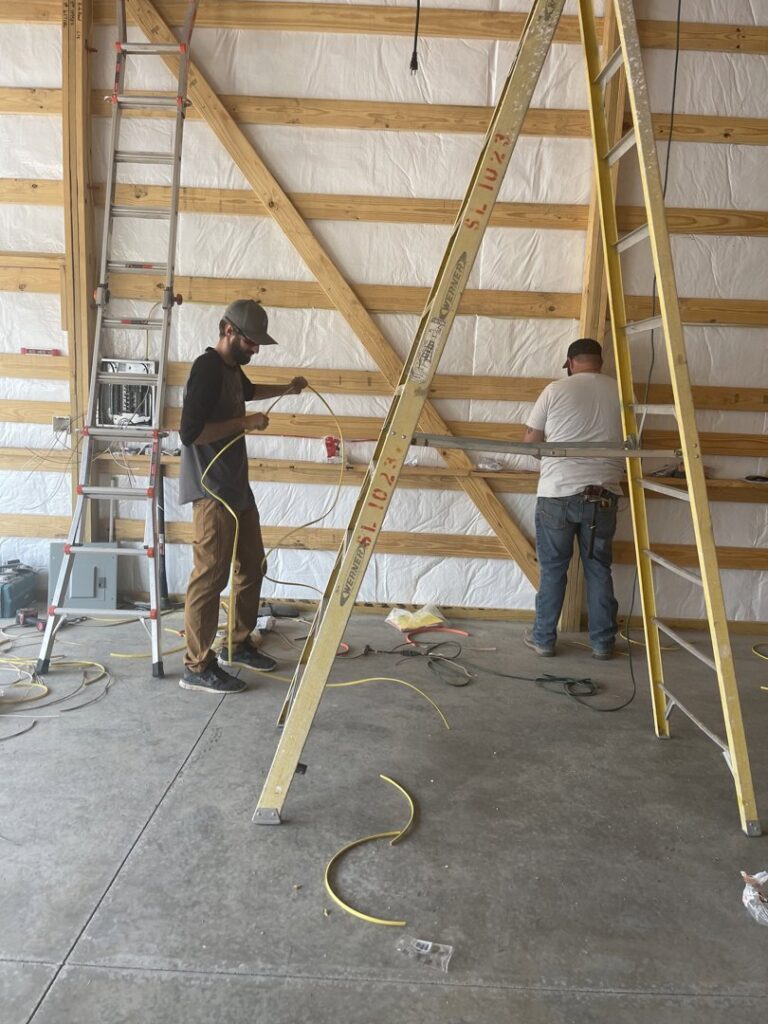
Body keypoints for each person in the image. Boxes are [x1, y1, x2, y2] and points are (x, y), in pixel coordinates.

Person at [178, 299, 307, 694]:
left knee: (252, 565)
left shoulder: (232, 371)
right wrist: (246, 423)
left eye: (259, 345)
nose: (255, 349)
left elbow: (248, 392)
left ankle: (238, 642)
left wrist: (287, 389)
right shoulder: (206, 369)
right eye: (251, 342)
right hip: (212, 490)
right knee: (210, 578)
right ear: (227, 330)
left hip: (237, 487)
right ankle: (197, 666)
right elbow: (189, 433)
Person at [522, 338, 623, 660]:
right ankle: (603, 644)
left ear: (570, 363)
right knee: (598, 569)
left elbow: (531, 441)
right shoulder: (622, 392)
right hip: (603, 495)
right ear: (601, 362)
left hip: (558, 493)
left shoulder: (555, 390)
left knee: (553, 570)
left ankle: (543, 640)